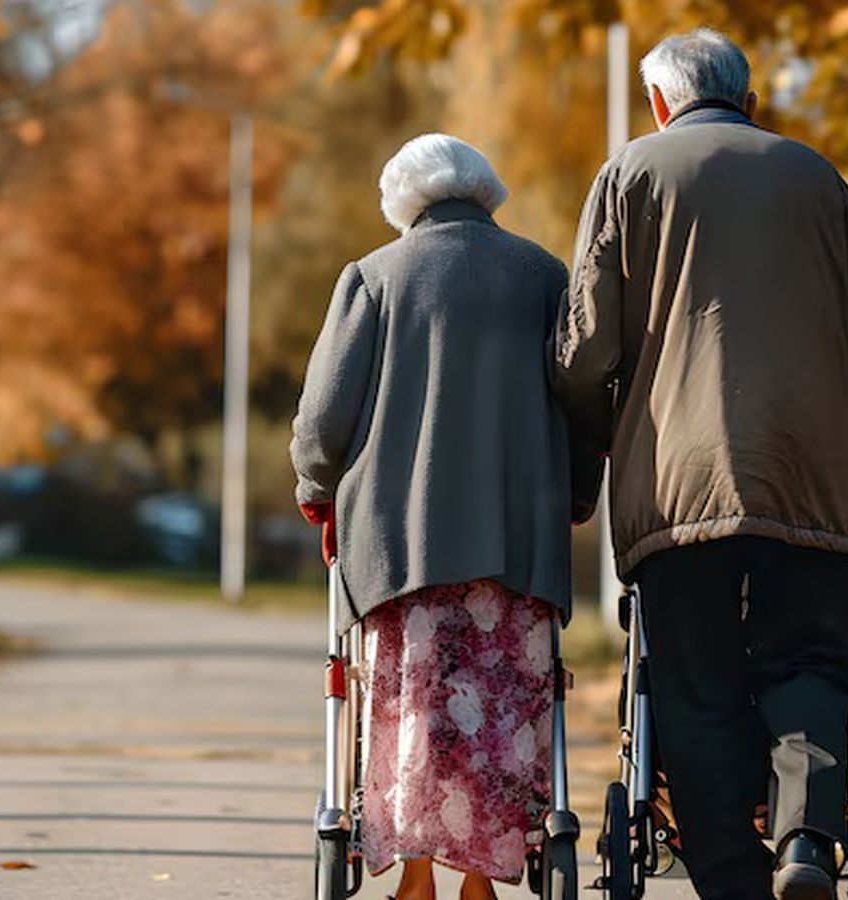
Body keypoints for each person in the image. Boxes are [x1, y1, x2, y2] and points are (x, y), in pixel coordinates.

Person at [552, 28, 848, 900]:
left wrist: (587, 454)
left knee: (696, 681)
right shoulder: (819, 180)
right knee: (810, 663)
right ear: (749, 102)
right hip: (813, 474)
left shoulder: (631, 176)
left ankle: (731, 877)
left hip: (680, 486)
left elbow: (582, 352)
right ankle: (804, 840)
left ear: (659, 104)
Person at [291, 134, 574, 900]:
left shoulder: (373, 279)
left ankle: (414, 874)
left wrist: (316, 487)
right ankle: (478, 880)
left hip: (400, 546)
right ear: (484, 192)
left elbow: (322, 424)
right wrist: (573, 495)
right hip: (517, 542)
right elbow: (581, 406)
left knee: (412, 702)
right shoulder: (546, 278)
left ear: (403, 203)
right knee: (503, 705)